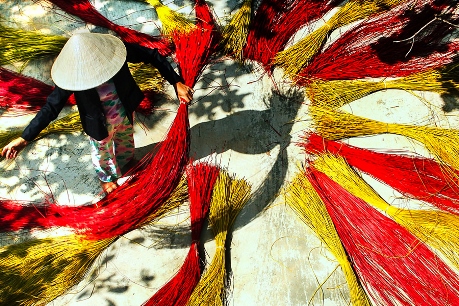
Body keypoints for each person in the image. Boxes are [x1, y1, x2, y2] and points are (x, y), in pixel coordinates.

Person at [1, 32, 193, 194]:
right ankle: (106, 176)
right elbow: (51, 107)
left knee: (126, 143)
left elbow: (152, 55)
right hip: (99, 125)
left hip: (124, 113)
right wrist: (25, 138)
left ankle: (126, 161)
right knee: (103, 152)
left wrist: (176, 82)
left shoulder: (116, 52)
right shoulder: (72, 76)